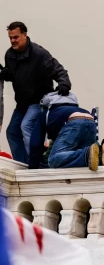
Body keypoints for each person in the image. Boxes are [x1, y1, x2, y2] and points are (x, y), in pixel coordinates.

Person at [1, 22, 71, 164]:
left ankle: (35, 162)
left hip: (38, 100)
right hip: (22, 103)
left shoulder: (39, 54)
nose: (13, 41)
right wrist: (5, 74)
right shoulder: (9, 55)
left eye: (16, 37)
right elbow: (14, 75)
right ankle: (22, 164)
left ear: (25, 35)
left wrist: (64, 83)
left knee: (26, 126)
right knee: (12, 132)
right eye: (10, 38)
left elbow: (58, 69)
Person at [46, 94, 104, 170]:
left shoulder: (47, 111)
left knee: (53, 159)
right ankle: (100, 155)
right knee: (89, 159)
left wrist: (33, 166)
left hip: (75, 121)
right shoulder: (73, 107)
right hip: (91, 121)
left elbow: (35, 143)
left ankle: (87, 154)